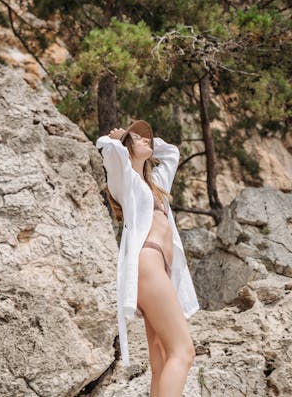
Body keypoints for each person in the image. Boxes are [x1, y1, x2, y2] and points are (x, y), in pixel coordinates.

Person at [96, 120, 200, 396]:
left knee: (163, 357)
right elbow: (105, 146)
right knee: (184, 351)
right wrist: (122, 138)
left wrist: (144, 145)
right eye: (139, 138)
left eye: (147, 139)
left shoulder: (155, 185)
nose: (146, 140)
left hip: (159, 269)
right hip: (148, 263)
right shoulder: (125, 180)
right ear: (128, 146)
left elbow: (172, 153)